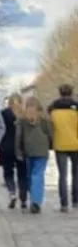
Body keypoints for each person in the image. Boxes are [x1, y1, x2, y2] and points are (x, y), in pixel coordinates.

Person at [16, 96, 52, 215]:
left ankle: (34, 200)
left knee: (30, 176)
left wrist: (18, 151)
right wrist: (51, 145)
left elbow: (18, 136)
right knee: (38, 175)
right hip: (41, 150)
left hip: (28, 150)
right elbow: (49, 133)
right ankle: (36, 201)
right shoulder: (44, 119)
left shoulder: (22, 120)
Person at [48, 83, 78, 211]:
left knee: (62, 175)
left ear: (60, 93)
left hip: (59, 144)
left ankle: (64, 203)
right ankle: (76, 201)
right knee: (76, 174)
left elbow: (51, 128)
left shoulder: (53, 110)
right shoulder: (76, 110)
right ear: (71, 93)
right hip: (76, 144)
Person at [0, 94, 26, 208]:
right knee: (22, 174)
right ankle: (23, 199)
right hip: (21, 148)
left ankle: (12, 193)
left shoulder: (4, 113)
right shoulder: (24, 114)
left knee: (8, 172)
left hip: (6, 147)